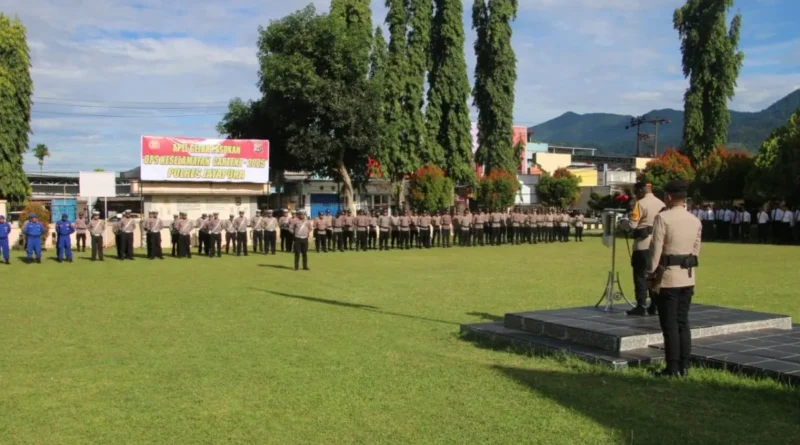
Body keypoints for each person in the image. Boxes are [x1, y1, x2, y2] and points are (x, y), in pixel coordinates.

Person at [647, 179, 701, 377]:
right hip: (687, 277)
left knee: (669, 325)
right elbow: (696, 250)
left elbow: (656, 249)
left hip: (668, 277)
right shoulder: (695, 220)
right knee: (682, 323)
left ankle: (672, 367)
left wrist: (650, 273)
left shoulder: (663, 218)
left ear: (668, 197)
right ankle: (684, 365)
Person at [622, 182, 666, 317]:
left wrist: (623, 222)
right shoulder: (661, 203)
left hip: (643, 243)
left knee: (640, 275)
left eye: (636, 192)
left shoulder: (640, 204)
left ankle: (641, 305)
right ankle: (654, 305)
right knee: (654, 276)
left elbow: (632, 225)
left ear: (641, 190)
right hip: (658, 244)